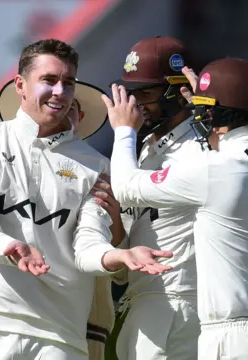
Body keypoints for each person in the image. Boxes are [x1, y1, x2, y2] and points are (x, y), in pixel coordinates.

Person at [0, 39, 173, 360]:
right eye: (49, 80)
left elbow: (88, 247)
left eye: (68, 83)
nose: (60, 92)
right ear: (20, 85)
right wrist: (9, 247)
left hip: (60, 336)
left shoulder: (96, 167)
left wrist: (121, 255)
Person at [106, 57, 248, 359]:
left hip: (230, 336)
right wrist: (214, 99)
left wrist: (123, 131)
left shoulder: (212, 168)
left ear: (212, 113)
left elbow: (126, 187)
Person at [0, 81, 120, 360]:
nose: (61, 112)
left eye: (72, 109)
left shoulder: (96, 169)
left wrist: (116, 220)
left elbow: (112, 258)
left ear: (80, 119)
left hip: (67, 328)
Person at [102, 36, 203, 360]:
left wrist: (123, 133)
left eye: (145, 93)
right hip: (142, 302)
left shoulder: (198, 150)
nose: (134, 104)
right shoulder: (147, 149)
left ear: (177, 90)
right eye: (130, 93)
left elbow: (127, 188)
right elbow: (124, 255)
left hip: (178, 303)